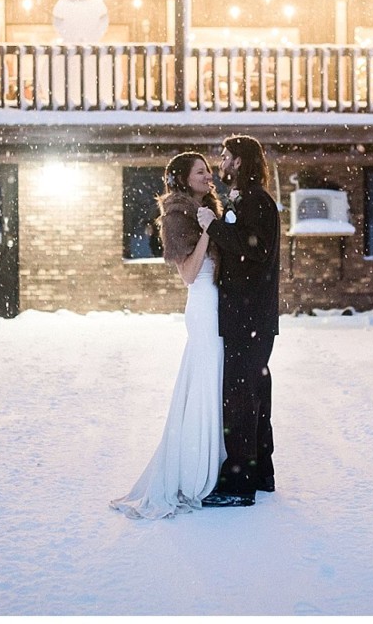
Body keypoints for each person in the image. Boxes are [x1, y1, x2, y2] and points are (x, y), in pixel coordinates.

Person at [110, 152, 226, 519]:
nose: (208, 175)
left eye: (208, 169)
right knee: (205, 383)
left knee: (216, 382)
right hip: (205, 304)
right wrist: (209, 231)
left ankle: (217, 461)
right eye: (200, 171)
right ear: (182, 178)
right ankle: (195, 470)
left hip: (221, 304)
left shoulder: (210, 207)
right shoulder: (177, 218)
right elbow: (189, 274)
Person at [196, 135, 281, 507]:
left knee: (240, 400)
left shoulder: (256, 201)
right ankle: (262, 473)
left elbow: (255, 250)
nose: (221, 161)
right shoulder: (245, 200)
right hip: (250, 318)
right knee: (255, 394)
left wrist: (214, 226)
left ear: (241, 163)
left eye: (227, 157)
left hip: (249, 317)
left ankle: (238, 484)